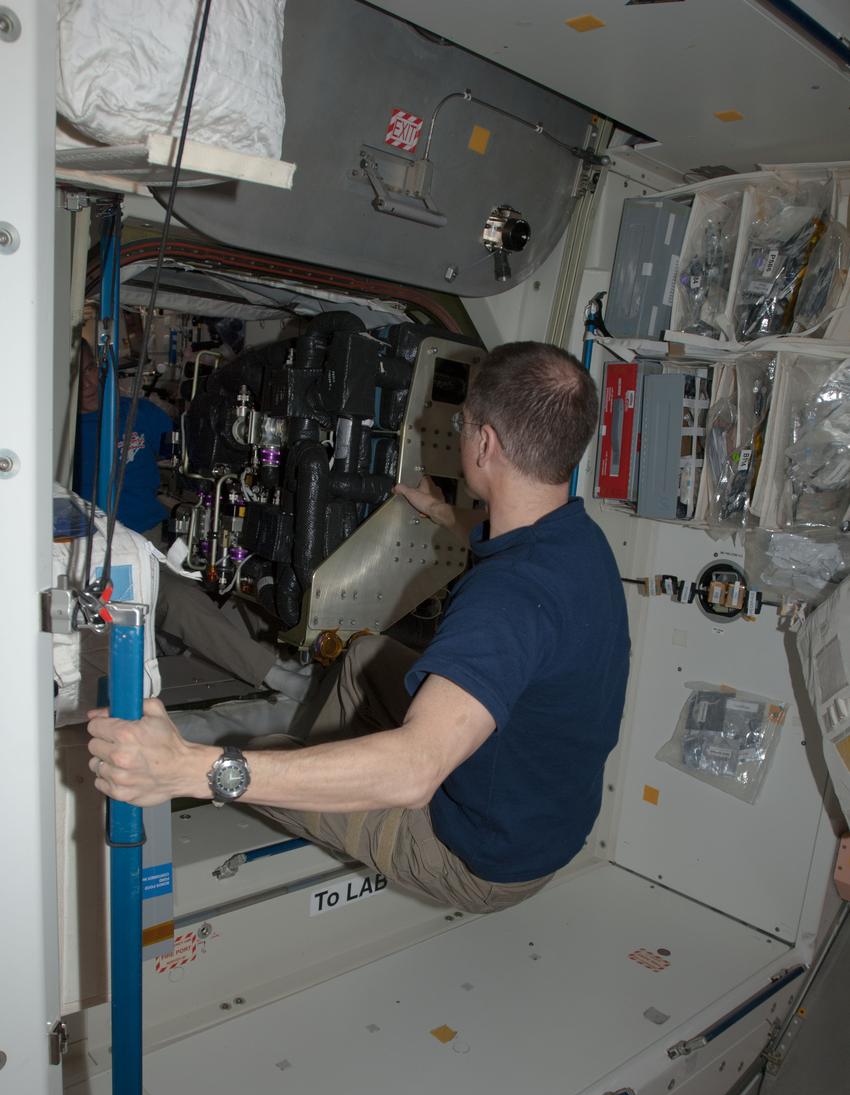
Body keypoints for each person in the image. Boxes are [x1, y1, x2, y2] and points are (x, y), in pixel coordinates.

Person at [88, 341, 630, 915]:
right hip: (544, 808)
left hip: (482, 858)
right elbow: (505, 569)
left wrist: (192, 770)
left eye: (464, 422)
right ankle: (337, 773)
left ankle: (333, 777)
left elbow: (416, 768)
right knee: (364, 658)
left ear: (485, 442)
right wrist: (442, 514)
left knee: (262, 752)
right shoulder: (576, 540)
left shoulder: (505, 600)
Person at [74, 339, 311, 698]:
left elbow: (194, 453)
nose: (87, 382)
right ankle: (273, 676)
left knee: (244, 569)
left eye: (90, 369)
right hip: (107, 552)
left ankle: (280, 655)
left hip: (158, 534)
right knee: (177, 599)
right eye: (76, 374)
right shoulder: (59, 437)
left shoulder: (138, 414)